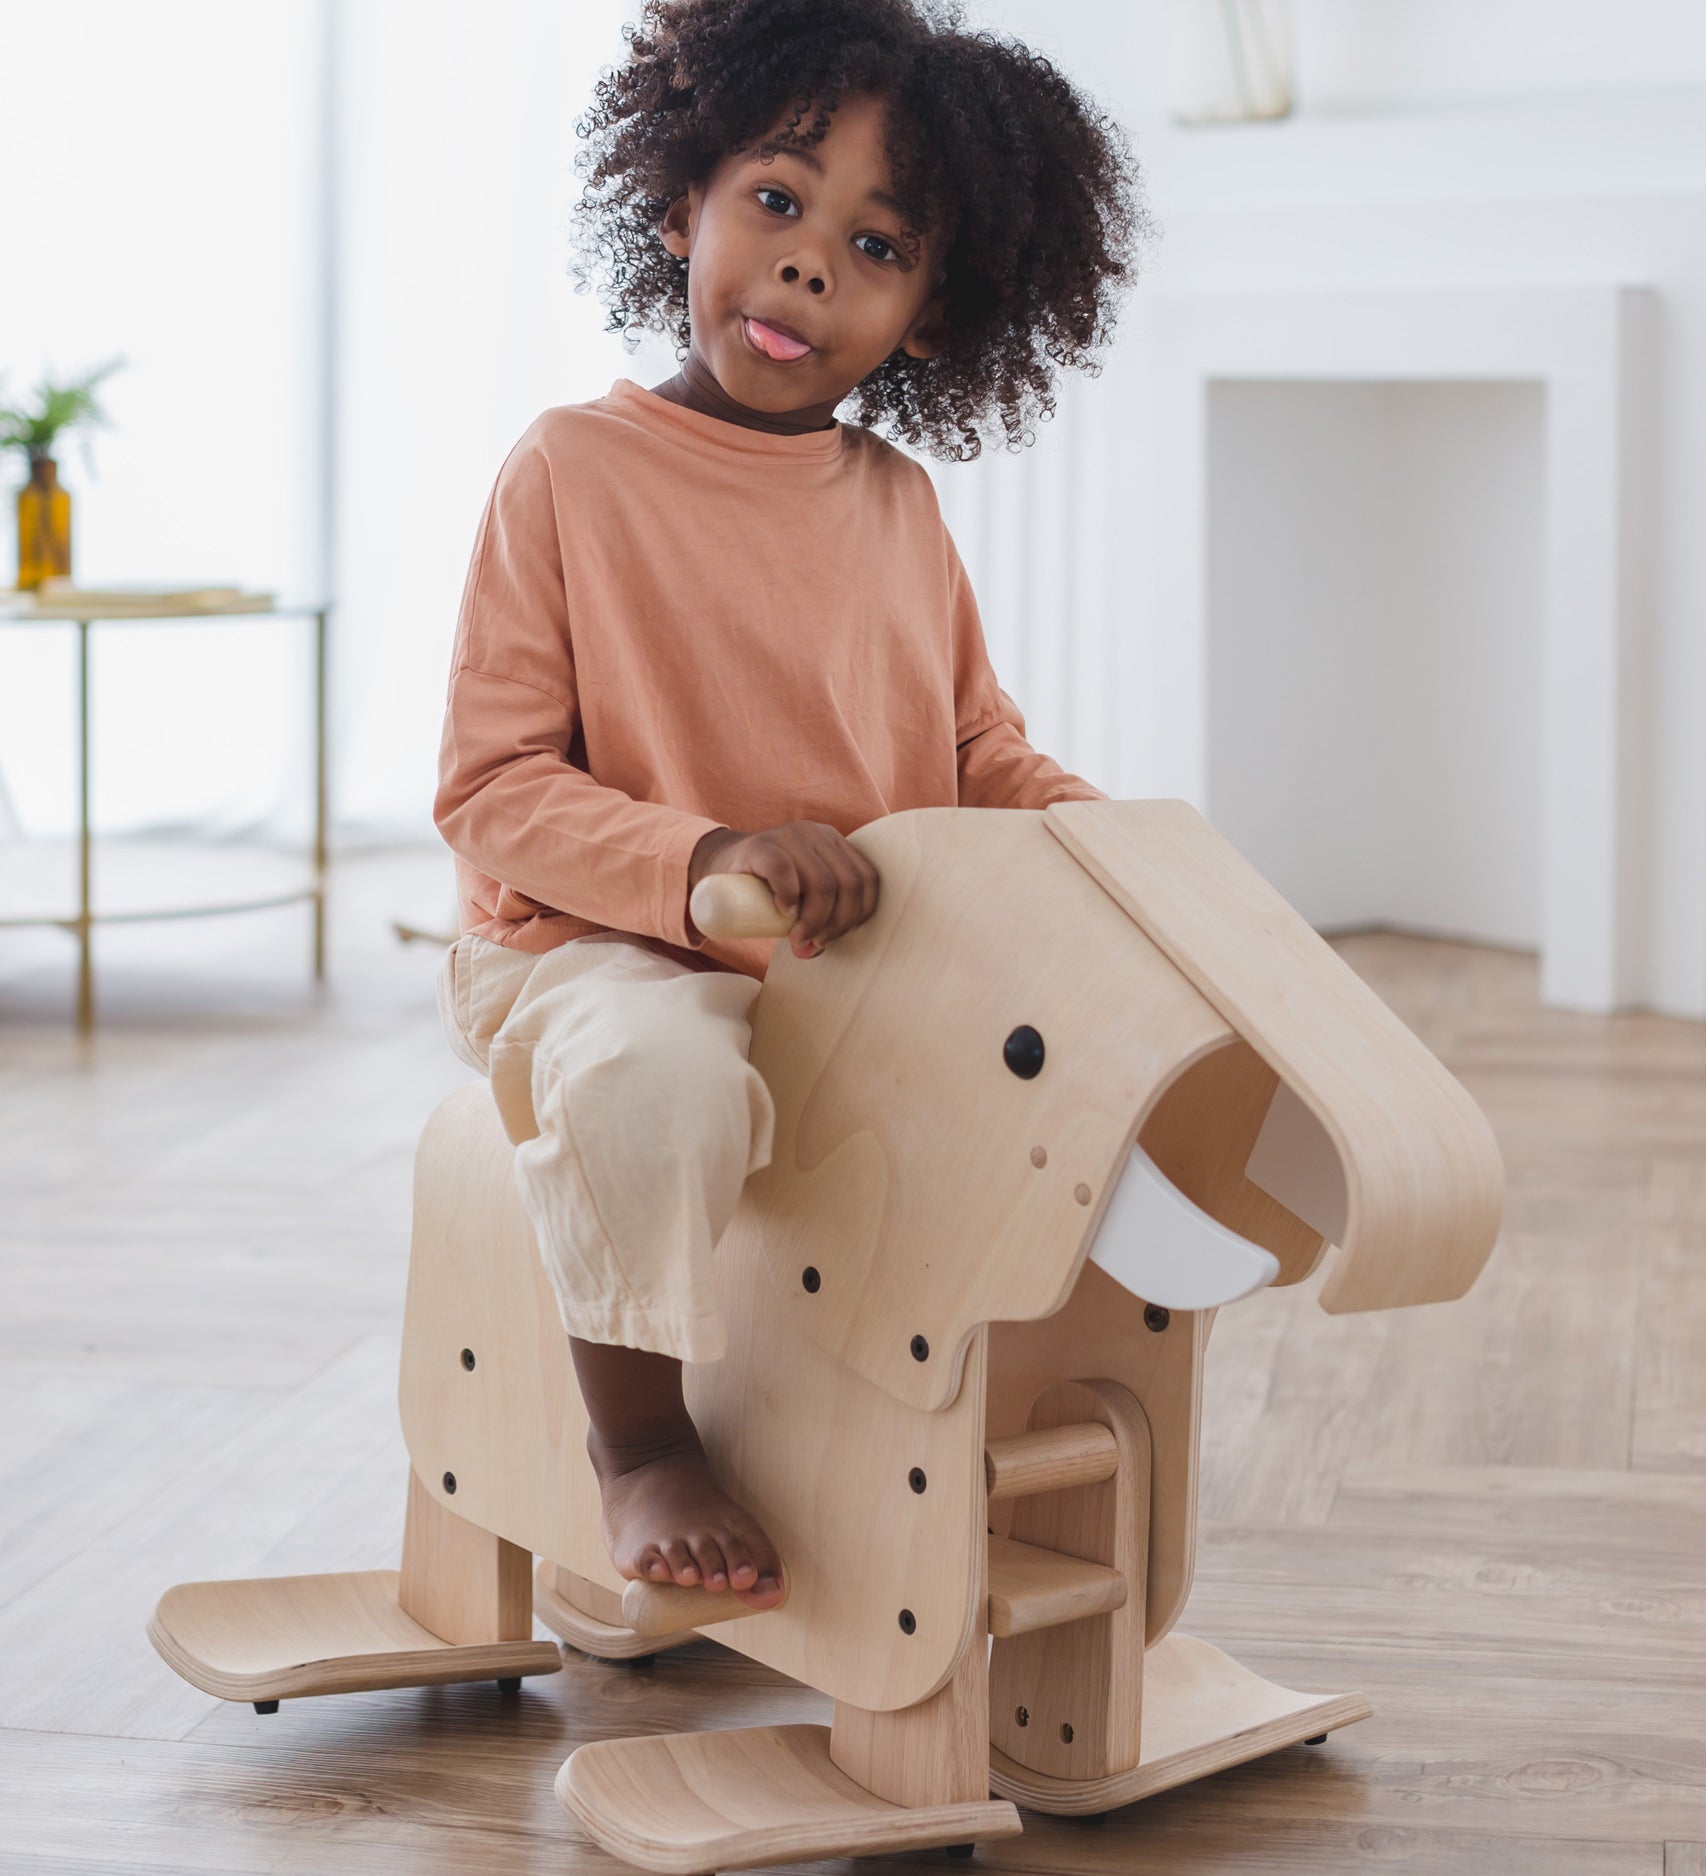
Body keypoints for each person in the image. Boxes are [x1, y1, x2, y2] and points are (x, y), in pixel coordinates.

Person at [433, 0, 1147, 1616]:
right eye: (776, 201)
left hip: (841, 975)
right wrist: (700, 863)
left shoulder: (897, 507)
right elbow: (487, 788)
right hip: (597, 951)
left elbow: (974, 749)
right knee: (654, 1075)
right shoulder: (570, 469)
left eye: (876, 243)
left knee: (1083, 1072)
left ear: (929, 313)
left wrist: (1101, 837)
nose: (811, 263)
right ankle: (637, 1442)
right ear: (679, 197)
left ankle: (965, 1422)